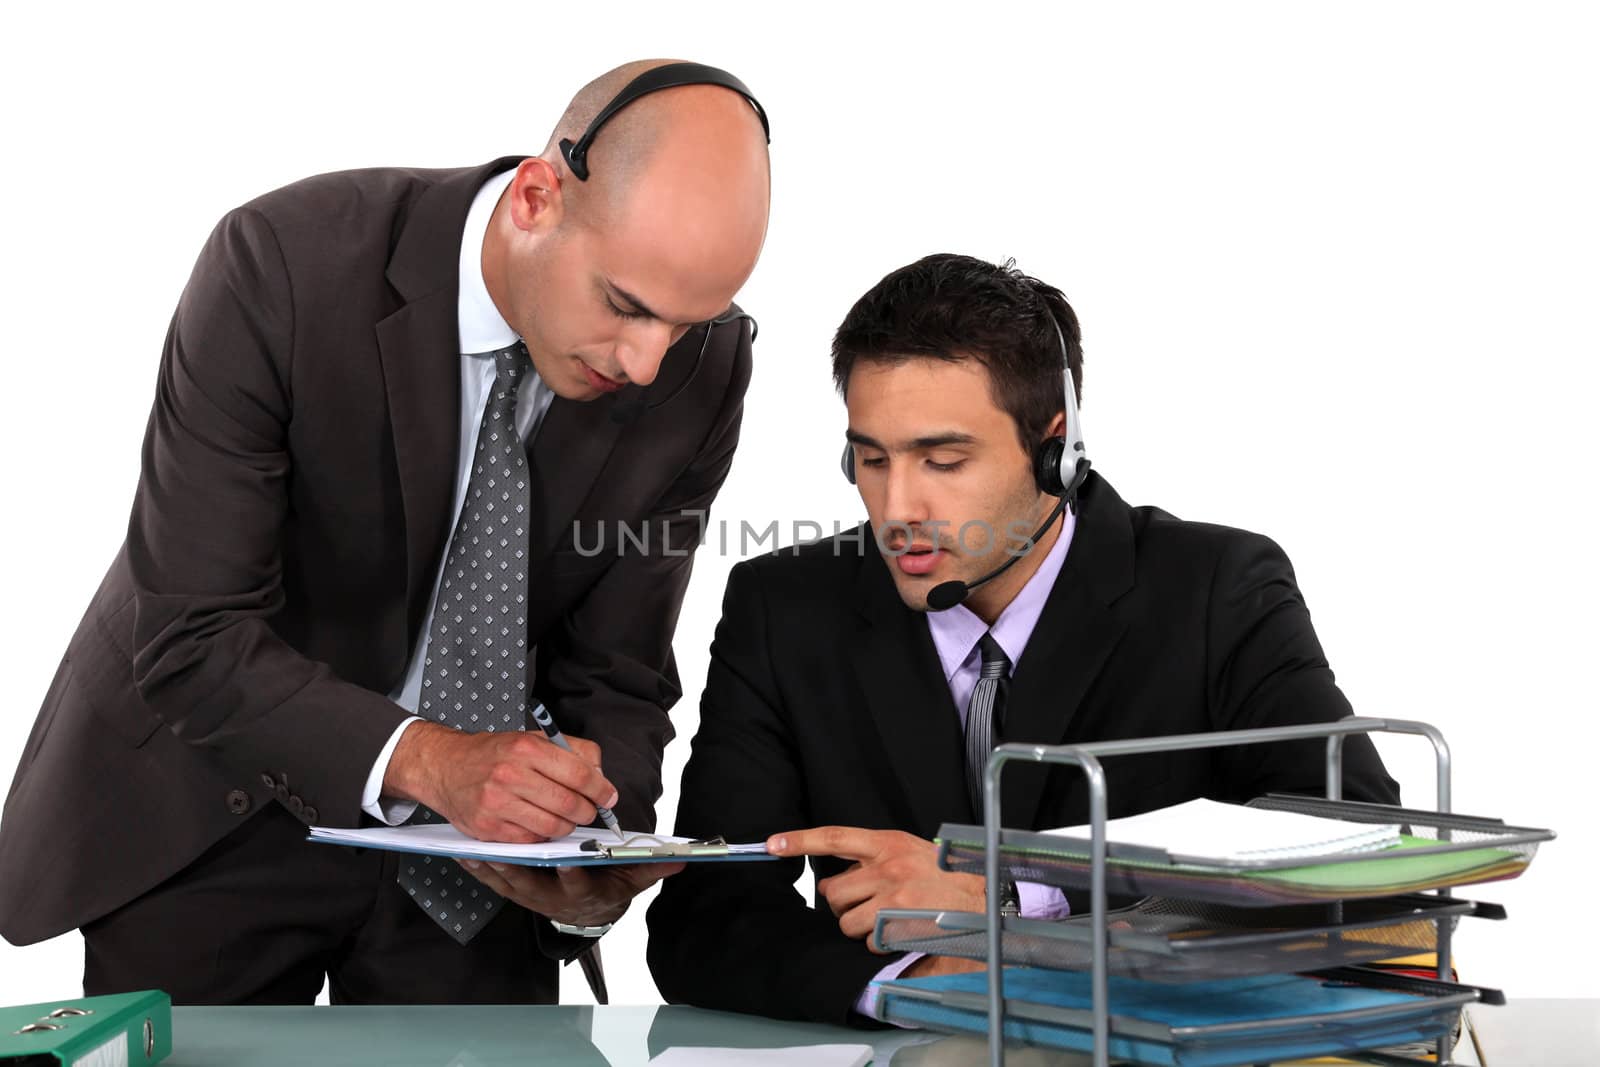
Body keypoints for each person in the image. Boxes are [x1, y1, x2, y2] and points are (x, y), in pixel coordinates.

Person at [0, 59, 771, 1006]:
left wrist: (598, 841)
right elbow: (192, 631)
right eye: (625, 305)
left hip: (478, 866)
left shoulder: (707, 366)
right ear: (536, 199)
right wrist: (431, 762)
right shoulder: (281, 264)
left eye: (687, 323)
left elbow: (619, 663)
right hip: (216, 800)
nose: (650, 363)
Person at [646, 253, 1399, 1024]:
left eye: (943, 460)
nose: (897, 505)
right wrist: (917, 985)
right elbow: (701, 923)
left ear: (1056, 449)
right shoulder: (784, 608)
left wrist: (1009, 892)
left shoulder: (1218, 589)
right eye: (870, 458)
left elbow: (1363, 850)